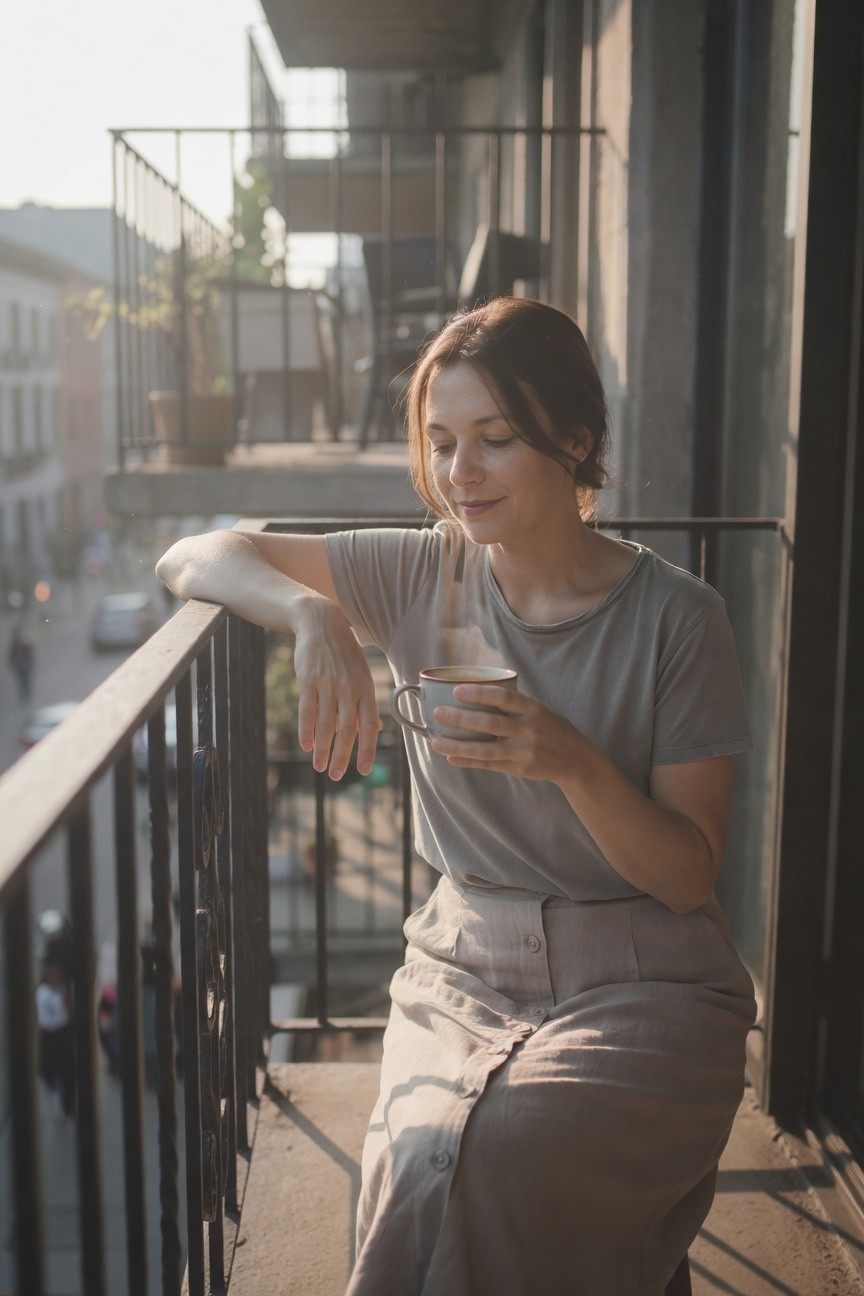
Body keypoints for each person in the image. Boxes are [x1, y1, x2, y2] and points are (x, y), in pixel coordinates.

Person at [156, 297, 756, 1295]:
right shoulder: (419, 573)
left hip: (647, 972)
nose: (457, 473)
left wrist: (569, 759)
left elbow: (691, 876)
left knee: (511, 1147)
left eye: (494, 439)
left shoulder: (680, 622)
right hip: (467, 963)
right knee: (421, 1158)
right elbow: (194, 555)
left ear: (575, 439)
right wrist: (311, 614)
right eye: (439, 443)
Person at [35, 961, 76, 1117]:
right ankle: (60, 1097)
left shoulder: (62, 991)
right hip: (49, 1034)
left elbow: (66, 1012)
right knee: (49, 1070)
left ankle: (67, 1104)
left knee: (65, 1069)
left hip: (61, 1033)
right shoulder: (43, 991)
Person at [8, 625, 34, 701]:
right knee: (20, 680)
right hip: (18, 665)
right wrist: (11, 662)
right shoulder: (14, 645)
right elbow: (11, 654)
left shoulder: (25, 643)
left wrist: (30, 662)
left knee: (26, 680)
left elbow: (30, 653)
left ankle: (27, 693)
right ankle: (23, 694)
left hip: (25, 665)